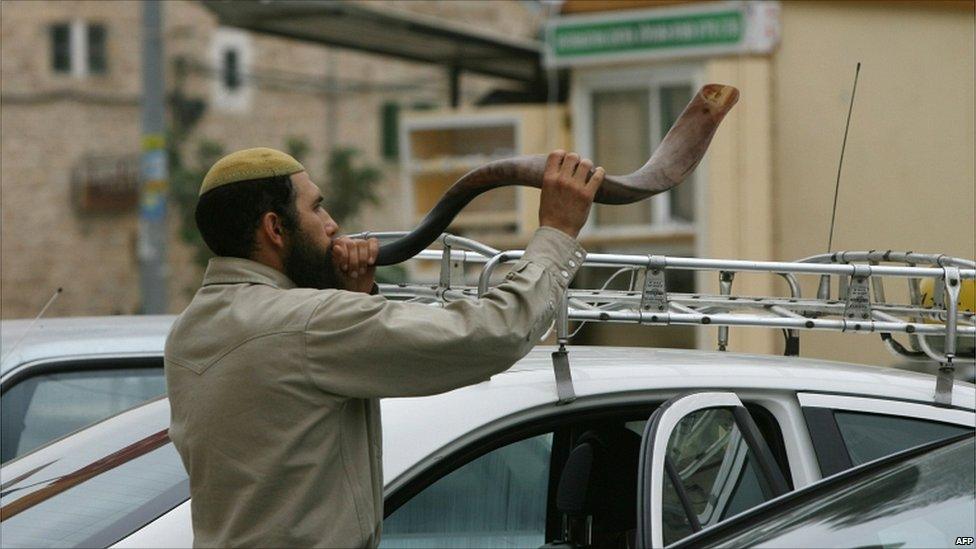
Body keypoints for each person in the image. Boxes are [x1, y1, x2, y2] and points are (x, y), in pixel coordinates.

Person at [165, 146, 605, 548]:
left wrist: (353, 299)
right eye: (317, 207)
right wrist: (557, 233)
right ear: (275, 228)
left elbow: (289, 435)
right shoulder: (310, 323)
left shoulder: (189, 332)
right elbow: (493, 333)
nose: (332, 225)